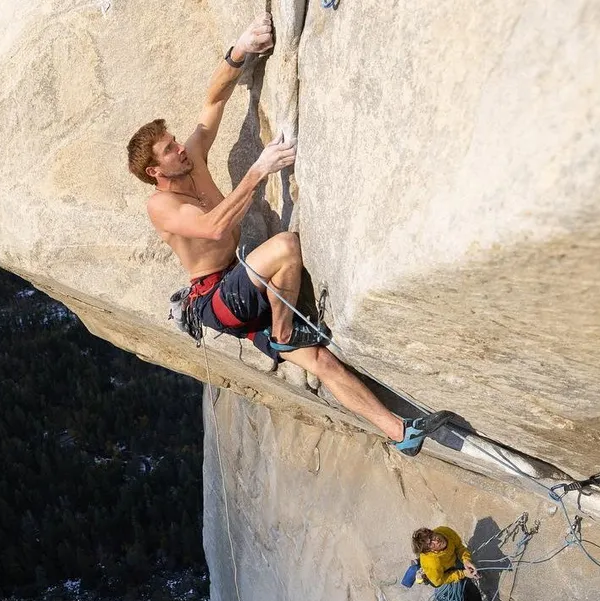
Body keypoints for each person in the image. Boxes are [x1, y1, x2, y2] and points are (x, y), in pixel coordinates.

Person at [125, 12, 455, 456]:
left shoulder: (194, 160)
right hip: (218, 300)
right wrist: (259, 170)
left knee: (321, 361)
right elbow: (212, 225)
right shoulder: (161, 206)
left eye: (174, 141)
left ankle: (400, 433)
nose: (180, 147)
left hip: (244, 287)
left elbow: (213, 101)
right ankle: (283, 334)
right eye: (169, 150)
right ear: (155, 170)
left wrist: (239, 50)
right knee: (285, 247)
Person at [412, 526, 501, 601]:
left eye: (432, 536)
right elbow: (438, 582)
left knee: (472, 593)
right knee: (466, 596)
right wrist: (463, 573)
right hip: (441, 575)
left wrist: (466, 560)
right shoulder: (432, 563)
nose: (436, 540)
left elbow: (459, 547)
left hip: (453, 562)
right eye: (431, 544)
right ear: (430, 550)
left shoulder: (445, 531)